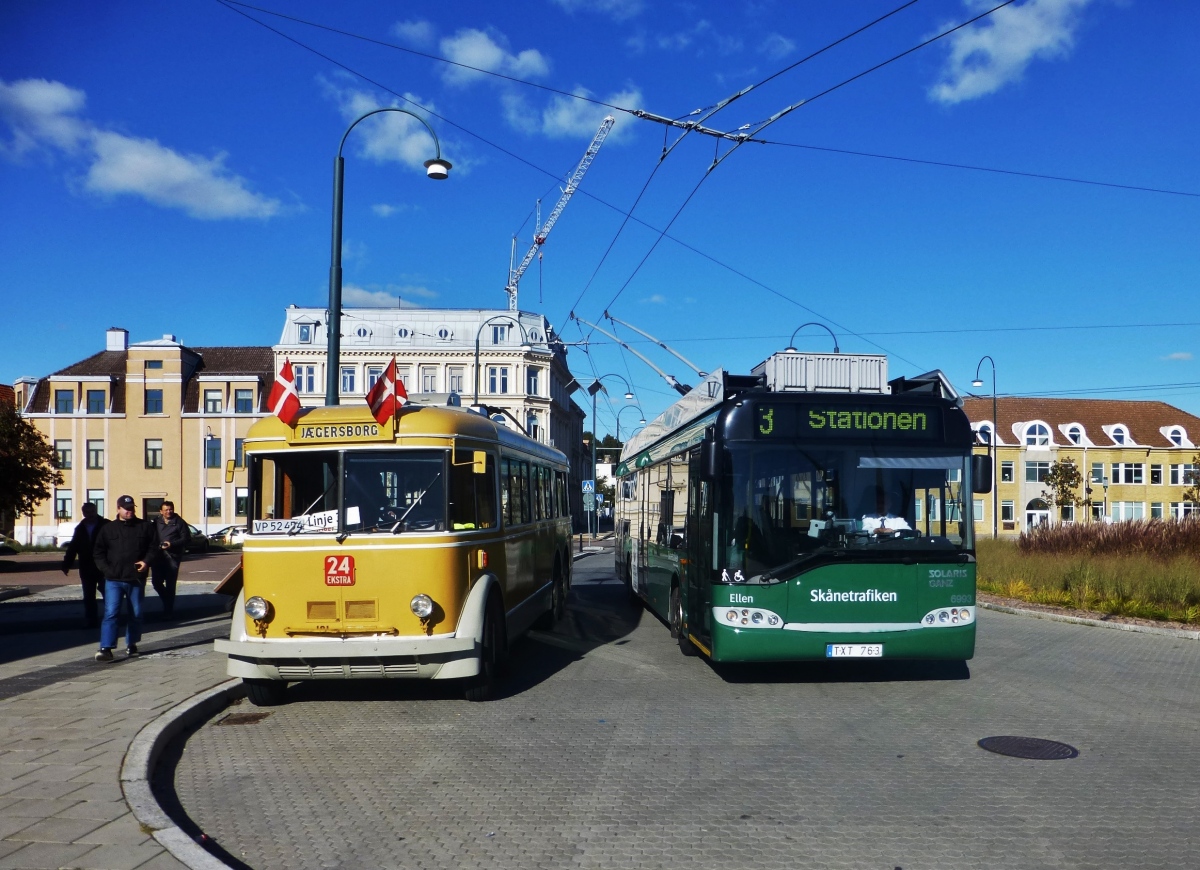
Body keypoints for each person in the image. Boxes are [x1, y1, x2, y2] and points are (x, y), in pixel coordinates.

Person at [92, 495, 158, 662]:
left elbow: (153, 547)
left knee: (135, 613)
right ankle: (106, 648)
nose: (129, 511)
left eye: (131, 508)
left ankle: (132, 643)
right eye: (126, 508)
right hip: (113, 579)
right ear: (118, 509)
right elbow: (98, 552)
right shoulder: (108, 529)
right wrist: (106, 569)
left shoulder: (145, 527)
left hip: (136, 579)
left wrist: (146, 561)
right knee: (111, 613)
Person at [61, 503, 109, 627]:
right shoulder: (80, 528)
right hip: (87, 566)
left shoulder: (106, 525)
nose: (90, 514)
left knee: (107, 593)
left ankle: (110, 618)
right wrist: (67, 563)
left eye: (92, 511)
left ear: (95, 511)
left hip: (104, 566)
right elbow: (73, 547)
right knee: (88, 596)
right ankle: (91, 620)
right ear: (83, 513)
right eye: (87, 512)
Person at [151, 500, 189, 618]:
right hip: (158, 556)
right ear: (161, 511)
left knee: (170, 584)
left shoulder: (179, 522)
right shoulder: (155, 522)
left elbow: (186, 538)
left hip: (173, 557)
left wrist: (171, 544)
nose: (169, 512)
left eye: (170, 509)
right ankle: (166, 599)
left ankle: (168, 611)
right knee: (156, 582)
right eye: (166, 510)